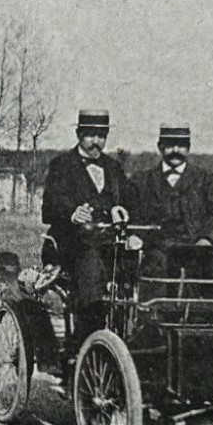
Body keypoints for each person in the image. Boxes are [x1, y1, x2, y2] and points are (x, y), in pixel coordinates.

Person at [41, 109, 137, 343]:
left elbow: (130, 202)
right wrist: (72, 213)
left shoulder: (113, 168)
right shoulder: (61, 165)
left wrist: (121, 210)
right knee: (91, 272)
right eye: (90, 135)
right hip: (71, 245)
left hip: (110, 245)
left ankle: (128, 337)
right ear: (78, 134)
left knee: (140, 271)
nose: (97, 142)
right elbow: (49, 208)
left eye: (102, 136)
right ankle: (84, 345)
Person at [132, 125, 213, 244]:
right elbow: (133, 215)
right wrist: (135, 236)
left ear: (188, 147)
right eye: (170, 144)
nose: (176, 150)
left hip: (196, 249)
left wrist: (207, 238)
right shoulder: (141, 181)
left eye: (181, 145)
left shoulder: (206, 181)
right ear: (160, 146)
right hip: (155, 251)